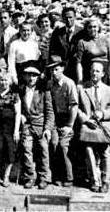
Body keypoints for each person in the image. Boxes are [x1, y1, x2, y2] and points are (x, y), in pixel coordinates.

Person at [19, 62, 54, 189]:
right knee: (26, 149)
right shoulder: (22, 90)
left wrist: (48, 129)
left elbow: (50, 112)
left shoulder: (44, 92)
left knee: (44, 150)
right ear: (25, 76)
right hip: (27, 126)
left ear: (38, 77)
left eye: (34, 75)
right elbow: (19, 108)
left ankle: (44, 178)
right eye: (28, 75)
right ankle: (30, 177)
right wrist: (21, 116)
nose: (31, 78)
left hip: (41, 126)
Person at [77, 59, 110, 193]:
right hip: (89, 125)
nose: (94, 73)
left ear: (102, 74)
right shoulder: (83, 89)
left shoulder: (108, 90)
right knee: (89, 150)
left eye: (97, 71)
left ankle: (106, 180)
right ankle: (94, 180)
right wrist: (85, 119)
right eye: (92, 70)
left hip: (104, 125)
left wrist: (103, 114)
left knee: (105, 152)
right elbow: (76, 108)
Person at [46, 55, 78, 187]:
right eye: (51, 70)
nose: (54, 72)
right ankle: (57, 176)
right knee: (53, 143)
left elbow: (74, 105)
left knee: (64, 146)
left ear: (62, 69)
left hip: (68, 119)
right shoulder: (50, 84)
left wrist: (69, 126)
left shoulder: (69, 83)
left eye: (56, 69)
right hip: (54, 119)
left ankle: (69, 177)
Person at [0, 71, 21, 188]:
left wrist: (16, 131)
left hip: (10, 129)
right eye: (2, 80)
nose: (4, 82)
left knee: (10, 153)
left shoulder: (15, 95)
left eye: (6, 80)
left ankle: (6, 177)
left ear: (10, 82)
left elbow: (18, 113)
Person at [49, 7, 85, 82]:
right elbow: (52, 50)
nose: (68, 20)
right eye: (66, 18)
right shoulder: (57, 32)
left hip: (77, 68)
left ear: (75, 17)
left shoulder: (82, 32)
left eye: (70, 17)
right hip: (62, 69)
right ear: (62, 18)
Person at [76, 18, 110, 85]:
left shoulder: (106, 39)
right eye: (90, 27)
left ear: (98, 28)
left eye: (95, 27)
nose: (92, 29)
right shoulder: (82, 42)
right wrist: (80, 80)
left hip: (105, 72)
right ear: (86, 28)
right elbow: (79, 62)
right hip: (90, 72)